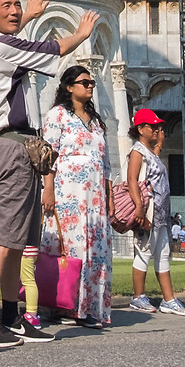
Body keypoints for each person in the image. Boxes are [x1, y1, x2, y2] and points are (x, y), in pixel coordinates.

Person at [0, 0, 96, 346]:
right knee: (3, 237)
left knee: (20, 241)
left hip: (25, 144)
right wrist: (81, 34)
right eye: (5, 6)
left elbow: (16, 35)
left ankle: (11, 316)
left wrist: (29, 16)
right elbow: (52, 49)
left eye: (16, 5)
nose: (13, 11)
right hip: (13, 145)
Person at [41, 64, 115, 328]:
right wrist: (48, 188)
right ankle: (68, 306)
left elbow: (105, 161)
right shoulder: (57, 115)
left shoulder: (96, 122)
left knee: (96, 249)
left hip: (95, 196)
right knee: (71, 249)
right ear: (69, 87)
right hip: (68, 193)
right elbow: (47, 155)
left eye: (92, 82)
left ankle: (92, 306)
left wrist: (109, 193)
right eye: (85, 82)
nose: (90, 86)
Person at [124, 108, 185, 315]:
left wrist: (160, 143)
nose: (156, 129)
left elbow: (154, 161)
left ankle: (168, 299)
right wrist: (139, 207)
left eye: (158, 126)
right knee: (144, 252)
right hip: (149, 210)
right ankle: (138, 297)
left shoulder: (148, 152)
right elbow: (132, 180)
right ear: (140, 128)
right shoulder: (137, 151)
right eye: (152, 126)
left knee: (162, 254)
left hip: (161, 212)